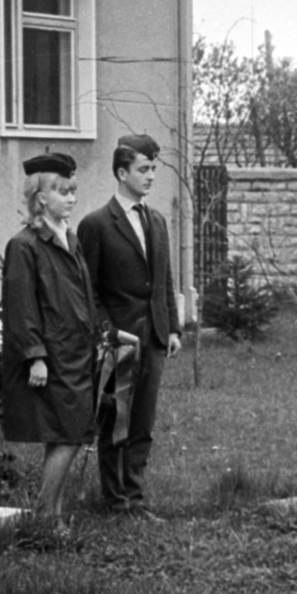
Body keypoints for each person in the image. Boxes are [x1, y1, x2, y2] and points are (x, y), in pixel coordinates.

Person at [2, 153, 135, 524]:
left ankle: (52, 514)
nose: (72, 199)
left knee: (69, 433)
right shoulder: (25, 245)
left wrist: (105, 335)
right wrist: (35, 356)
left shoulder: (70, 239)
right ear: (42, 198)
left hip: (77, 354)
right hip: (53, 358)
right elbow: (21, 307)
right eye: (63, 192)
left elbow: (82, 300)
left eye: (74, 192)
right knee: (69, 434)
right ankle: (46, 517)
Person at [77, 133, 183, 520]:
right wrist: (109, 334)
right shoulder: (97, 224)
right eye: (144, 169)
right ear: (122, 173)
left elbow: (165, 279)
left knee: (143, 423)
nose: (152, 176)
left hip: (154, 338)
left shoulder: (155, 220)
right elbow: (89, 290)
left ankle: (136, 501)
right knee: (116, 421)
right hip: (118, 342)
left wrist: (172, 328)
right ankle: (115, 502)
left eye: (154, 168)